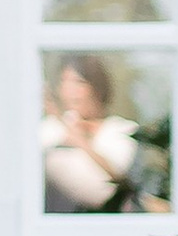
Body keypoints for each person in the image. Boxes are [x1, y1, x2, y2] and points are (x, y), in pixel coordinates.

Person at [38, 50, 149, 215]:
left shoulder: (122, 130)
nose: (70, 91)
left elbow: (121, 178)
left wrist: (81, 142)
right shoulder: (50, 128)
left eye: (79, 82)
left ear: (97, 87)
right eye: (64, 82)